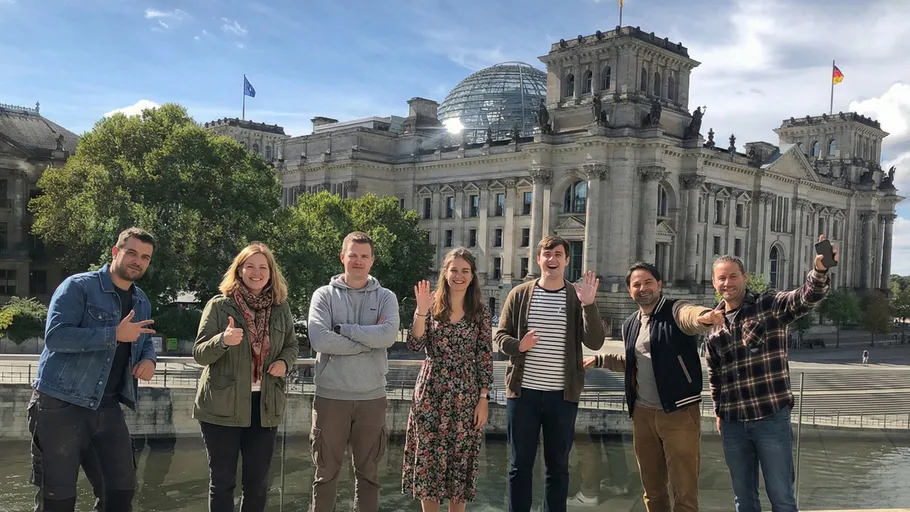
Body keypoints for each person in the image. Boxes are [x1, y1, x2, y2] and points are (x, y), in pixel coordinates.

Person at [29, 227, 158, 512]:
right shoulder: (78, 286)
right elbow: (56, 337)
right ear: (116, 252)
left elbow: (144, 340)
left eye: (145, 258)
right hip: (61, 404)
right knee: (58, 499)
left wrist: (149, 361)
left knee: (121, 492)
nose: (138, 261)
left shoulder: (142, 300)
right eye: (132, 253)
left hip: (108, 406)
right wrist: (113, 334)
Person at [706, 235, 836, 512]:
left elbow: (803, 298)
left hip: (770, 417)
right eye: (721, 279)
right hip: (732, 422)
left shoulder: (768, 304)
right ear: (714, 284)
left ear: (745, 277)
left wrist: (820, 272)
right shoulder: (713, 326)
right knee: (743, 499)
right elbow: (715, 376)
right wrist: (718, 412)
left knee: (782, 497)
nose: (727, 283)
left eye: (732, 277)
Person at [579, 261, 723, 511]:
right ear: (629, 291)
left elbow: (690, 317)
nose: (642, 288)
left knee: (684, 490)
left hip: (678, 412)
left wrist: (706, 317)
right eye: (636, 284)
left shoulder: (674, 309)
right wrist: (601, 359)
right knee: (652, 489)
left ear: (659, 285)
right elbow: (636, 361)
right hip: (642, 414)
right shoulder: (631, 324)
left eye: (648, 282)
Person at [495, 235, 605, 512]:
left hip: (561, 396)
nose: (552, 259)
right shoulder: (519, 294)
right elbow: (500, 337)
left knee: (558, 468)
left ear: (567, 260)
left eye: (558, 254)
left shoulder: (576, 296)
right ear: (538, 259)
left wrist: (589, 305)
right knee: (519, 466)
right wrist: (519, 346)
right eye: (547, 254)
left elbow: (594, 342)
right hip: (523, 395)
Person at [193, 242, 299, 512]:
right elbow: (200, 353)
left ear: (271, 273)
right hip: (221, 406)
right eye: (250, 266)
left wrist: (284, 363)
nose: (256, 272)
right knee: (222, 482)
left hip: (264, 406)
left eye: (263, 267)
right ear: (239, 270)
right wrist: (223, 340)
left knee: (257, 484)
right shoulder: (219, 305)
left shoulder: (280, 307)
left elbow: (292, 345)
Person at [307, 231, 401, 512]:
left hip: (371, 398)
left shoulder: (386, 297)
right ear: (342, 258)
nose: (358, 261)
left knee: (369, 475)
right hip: (330, 397)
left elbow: (386, 337)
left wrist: (344, 330)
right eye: (353, 255)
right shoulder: (323, 295)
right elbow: (319, 339)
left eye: (364, 256)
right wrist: (365, 343)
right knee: (325, 475)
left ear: (372, 261)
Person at [402, 248, 494, 511]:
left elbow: (485, 356)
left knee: (460, 462)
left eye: (465, 271)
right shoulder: (430, 306)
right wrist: (421, 311)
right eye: (454, 270)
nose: (459, 275)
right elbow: (415, 343)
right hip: (431, 393)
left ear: (473, 275)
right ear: (445, 273)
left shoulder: (480, 312)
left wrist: (483, 399)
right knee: (429, 463)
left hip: (466, 395)